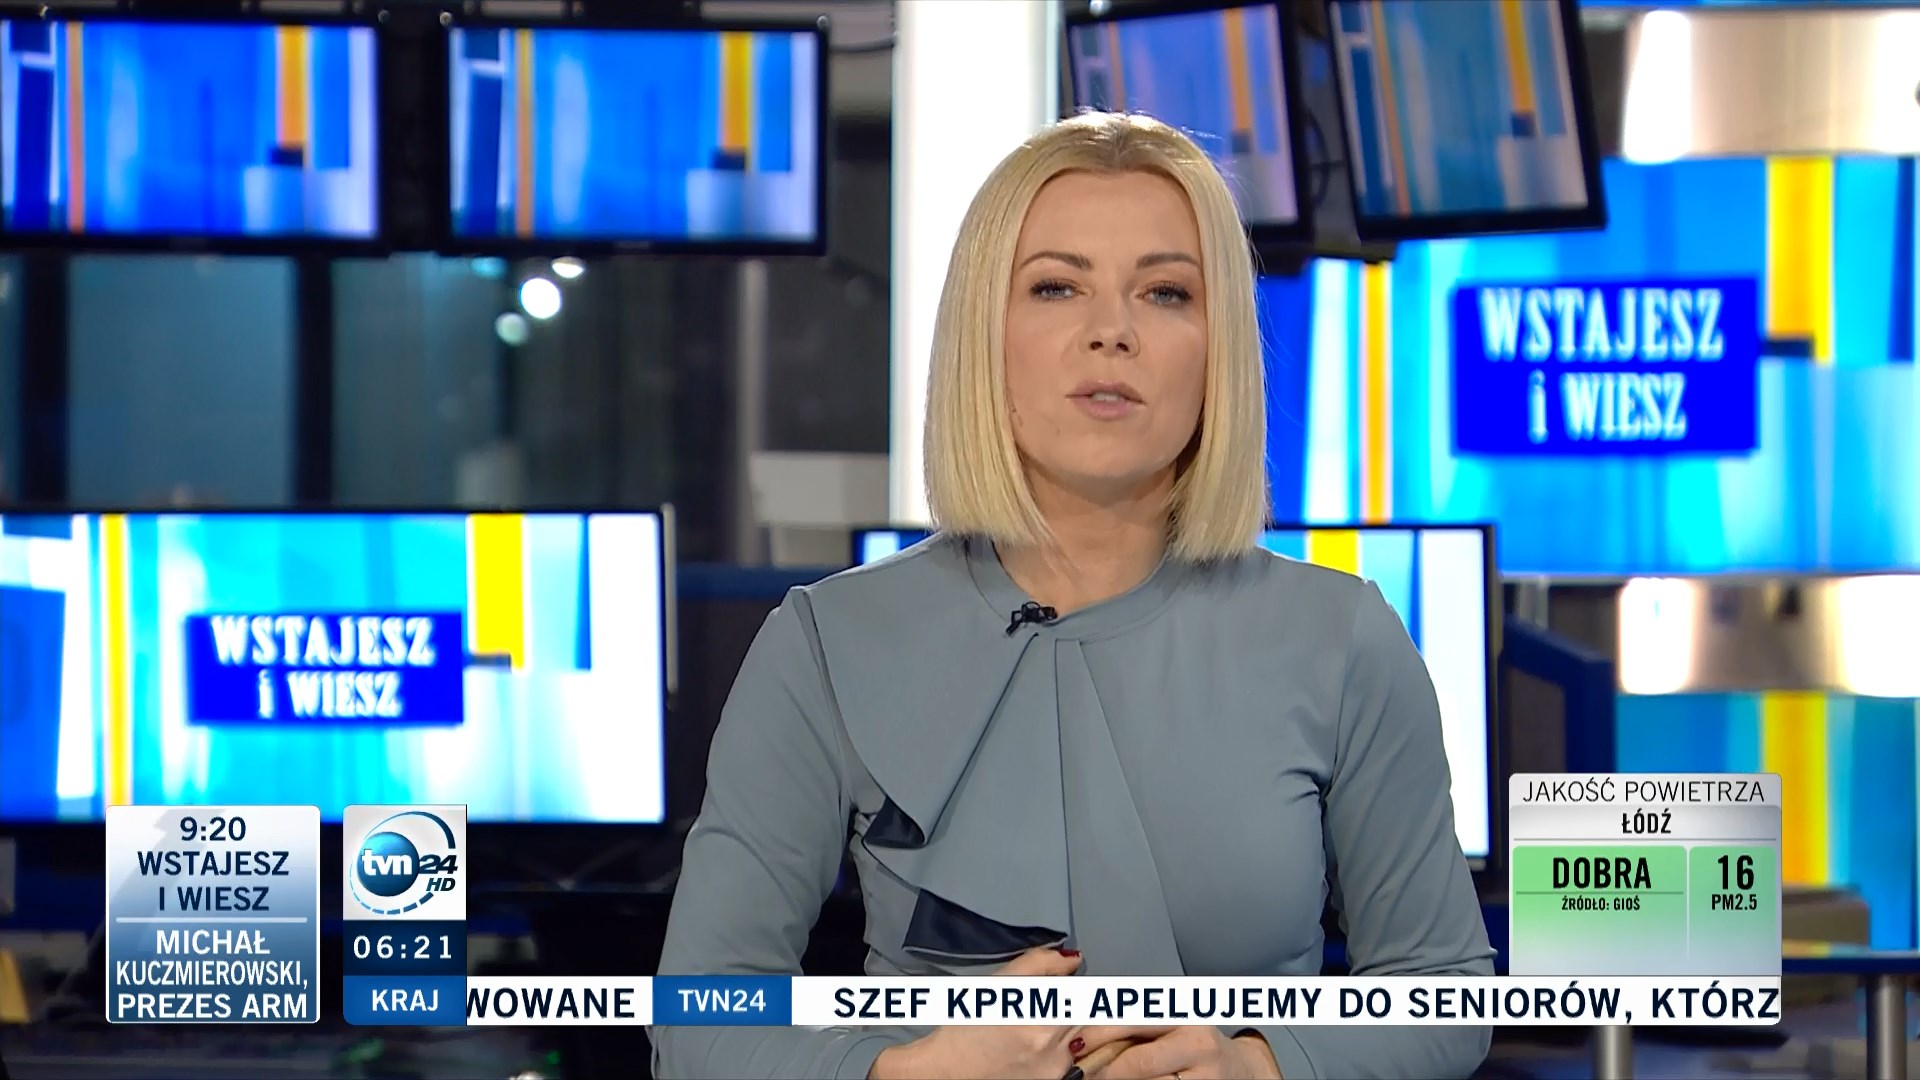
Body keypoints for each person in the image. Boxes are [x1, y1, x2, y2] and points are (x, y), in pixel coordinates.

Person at [652, 111, 1494, 1080]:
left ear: (1218, 347)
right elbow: (699, 1021)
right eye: (1057, 286)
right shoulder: (826, 644)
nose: (1111, 332)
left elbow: (1445, 995)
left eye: (1166, 292)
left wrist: (1259, 1066)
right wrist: (906, 1074)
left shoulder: (1342, 641)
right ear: (984, 333)